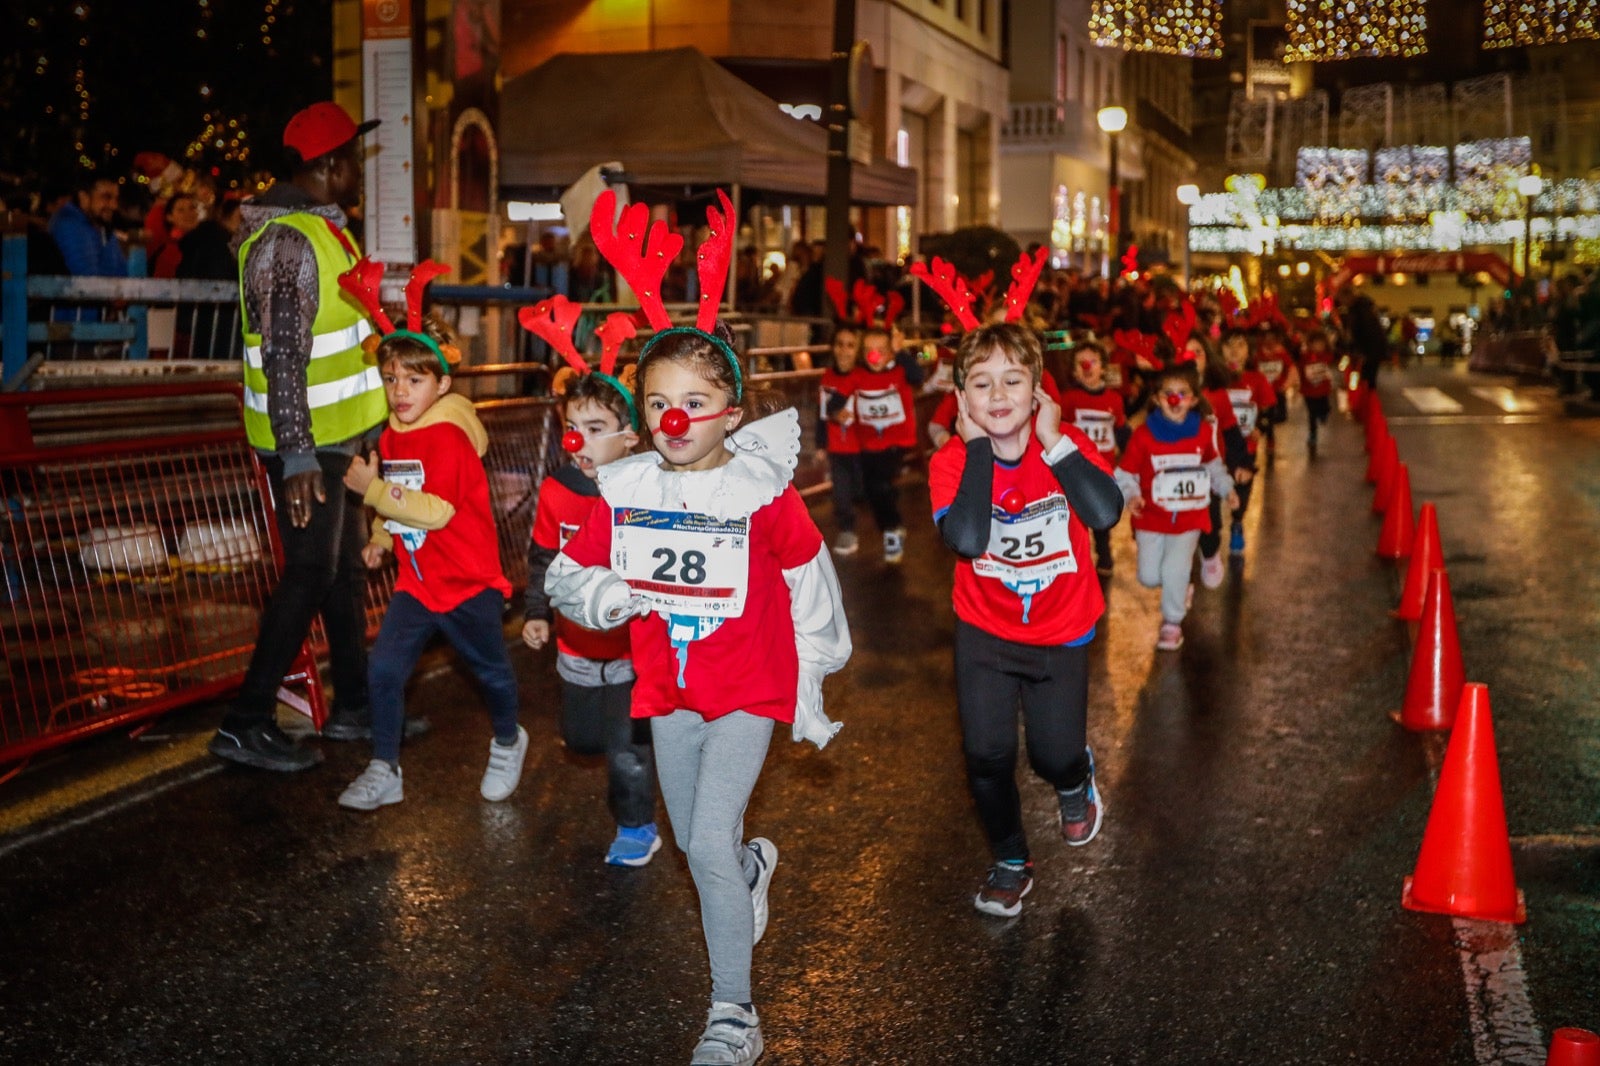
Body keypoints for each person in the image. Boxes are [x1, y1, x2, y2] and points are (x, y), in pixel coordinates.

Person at [547, 189, 852, 1066]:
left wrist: (809, 680)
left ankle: (734, 1014)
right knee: (694, 844)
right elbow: (574, 572)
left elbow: (809, 582)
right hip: (666, 685)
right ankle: (750, 872)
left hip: (746, 685)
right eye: (656, 399)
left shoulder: (762, 491)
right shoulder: (628, 487)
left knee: (708, 839)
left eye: (694, 397)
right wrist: (604, 600)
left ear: (730, 408)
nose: (672, 417)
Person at [208, 101, 391, 772]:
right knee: (312, 572)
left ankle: (353, 709)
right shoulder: (289, 243)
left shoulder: (319, 232)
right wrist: (296, 455)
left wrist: (365, 429)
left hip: (333, 437)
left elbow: (338, 344)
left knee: (340, 572)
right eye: (354, 162)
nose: (360, 175)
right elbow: (285, 354)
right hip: (306, 443)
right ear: (328, 165)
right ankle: (244, 721)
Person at [928, 322, 1124, 918]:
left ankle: (1074, 780)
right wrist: (980, 449)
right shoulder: (952, 462)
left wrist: (1056, 441)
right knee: (986, 754)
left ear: (1038, 390)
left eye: (1013, 379)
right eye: (981, 383)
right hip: (985, 633)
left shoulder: (1065, 448)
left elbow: (1105, 511)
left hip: (1061, 633)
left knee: (1051, 755)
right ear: (961, 399)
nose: (997, 394)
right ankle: (1012, 859)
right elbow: (966, 538)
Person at [336, 302, 527, 810]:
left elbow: (436, 511)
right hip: (418, 583)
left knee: (489, 672)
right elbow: (400, 495)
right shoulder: (393, 434)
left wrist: (371, 490)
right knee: (384, 670)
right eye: (391, 379)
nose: (400, 392)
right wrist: (380, 535)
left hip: (468, 581)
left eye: (414, 380)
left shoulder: (447, 436)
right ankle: (384, 766)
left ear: (442, 384)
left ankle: (509, 741)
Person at [523, 369, 662, 866]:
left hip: (633, 651)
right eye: (572, 424)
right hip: (575, 647)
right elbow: (543, 556)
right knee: (583, 740)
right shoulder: (556, 489)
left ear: (629, 437)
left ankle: (636, 825)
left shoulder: (648, 488)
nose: (578, 438)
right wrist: (538, 611)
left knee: (625, 751)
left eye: (596, 425)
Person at [1116, 361, 1237, 651]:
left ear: (1194, 399)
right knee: (1148, 577)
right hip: (1151, 519)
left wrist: (1227, 488)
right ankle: (1179, 587)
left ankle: (1172, 623)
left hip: (1189, 518)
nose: (1175, 399)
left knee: (1174, 569)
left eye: (1182, 393)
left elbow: (1213, 465)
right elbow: (1124, 474)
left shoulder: (1202, 434)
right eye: (1168, 393)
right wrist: (1132, 495)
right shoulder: (1144, 436)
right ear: (1157, 399)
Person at [1058, 340, 1129, 575]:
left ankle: (1104, 553)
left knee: (1101, 511)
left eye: (1093, 362)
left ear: (1103, 368)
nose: (1087, 367)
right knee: (1075, 515)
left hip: (1103, 468)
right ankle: (1076, 556)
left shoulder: (1114, 400)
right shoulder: (1068, 400)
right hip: (1075, 468)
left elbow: (1120, 429)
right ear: (1074, 370)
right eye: (1081, 363)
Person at [853, 322, 923, 564]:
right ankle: (889, 524)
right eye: (870, 350)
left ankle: (892, 530)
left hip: (897, 442)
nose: (875, 356)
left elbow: (918, 375)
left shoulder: (900, 371)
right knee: (872, 489)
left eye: (882, 350)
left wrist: (901, 351)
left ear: (891, 352)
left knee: (880, 484)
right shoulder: (858, 375)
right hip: (868, 444)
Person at [1217, 329, 1277, 556]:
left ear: (1248, 350)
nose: (1234, 351)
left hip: (1245, 448)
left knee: (1242, 487)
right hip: (1217, 449)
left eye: (1240, 345)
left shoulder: (1256, 379)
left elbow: (1270, 407)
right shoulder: (1215, 381)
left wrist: (1260, 428)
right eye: (1228, 345)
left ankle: (1237, 523)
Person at [817, 323, 867, 557]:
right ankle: (847, 530)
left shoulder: (862, 376)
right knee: (842, 494)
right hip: (838, 448)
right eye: (840, 345)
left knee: (861, 491)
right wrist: (820, 445)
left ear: (857, 350)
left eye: (850, 345)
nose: (844, 351)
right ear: (833, 348)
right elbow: (822, 414)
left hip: (862, 448)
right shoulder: (826, 377)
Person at [48, 173, 127, 277]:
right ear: (83, 197)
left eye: (115, 198)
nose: (114, 206)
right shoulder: (69, 225)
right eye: (106, 197)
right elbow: (88, 283)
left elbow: (121, 273)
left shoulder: (101, 226)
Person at [1296, 328, 1338, 450]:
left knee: (1324, 407)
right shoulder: (1305, 356)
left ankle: (1324, 414)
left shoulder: (1326, 356)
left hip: (1322, 389)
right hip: (1308, 391)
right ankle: (1313, 434)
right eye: (1315, 344)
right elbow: (1299, 367)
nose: (1318, 347)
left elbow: (1334, 357)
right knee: (1311, 413)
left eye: (1321, 344)